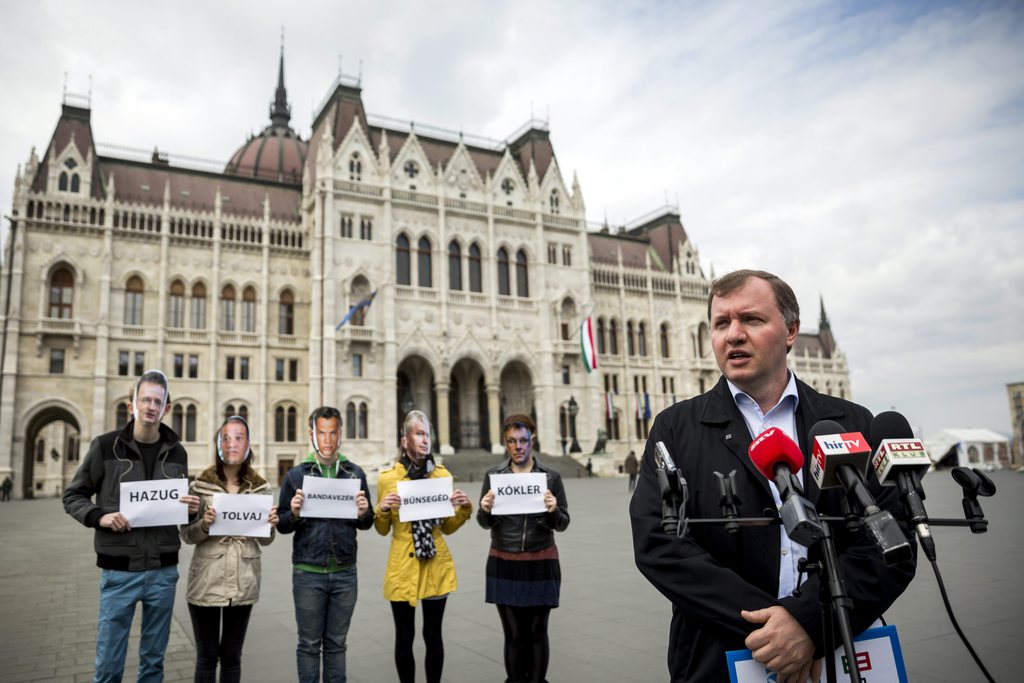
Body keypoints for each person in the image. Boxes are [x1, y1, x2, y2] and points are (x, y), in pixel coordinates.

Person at [629, 270, 917, 683]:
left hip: (838, 651)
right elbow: (659, 544)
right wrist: (774, 632)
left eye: (752, 319)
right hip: (720, 658)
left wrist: (808, 625)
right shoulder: (676, 428)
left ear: (791, 331)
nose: (733, 335)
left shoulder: (850, 423)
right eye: (721, 323)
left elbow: (891, 543)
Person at [63, 369, 200, 683]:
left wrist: (192, 509)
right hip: (119, 571)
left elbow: (178, 510)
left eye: (158, 401)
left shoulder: (178, 452)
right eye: (145, 399)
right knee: (109, 664)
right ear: (132, 405)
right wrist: (100, 516)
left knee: (153, 663)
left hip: (163, 572)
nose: (151, 406)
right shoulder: (105, 446)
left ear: (166, 408)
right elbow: (74, 495)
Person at [277, 406, 374, 683]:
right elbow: (282, 524)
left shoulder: (354, 473)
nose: (328, 440)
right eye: (322, 433)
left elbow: (366, 522)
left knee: (337, 644)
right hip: (308, 573)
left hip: (345, 572)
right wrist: (293, 513)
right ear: (312, 434)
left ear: (340, 433)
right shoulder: (296, 475)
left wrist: (364, 511)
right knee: (308, 645)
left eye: (333, 433)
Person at [375, 409, 473, 683]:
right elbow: (382, 530)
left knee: (433, 635)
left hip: (436, 564)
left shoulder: (441, 476)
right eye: (418, 434)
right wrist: (381, 509)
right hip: (402, 565)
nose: (424, 440)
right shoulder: (387, 479)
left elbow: (447, 527)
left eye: (427, 434)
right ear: (404, 440)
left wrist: (464, 509)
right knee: (404, 637)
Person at [180, 415, 278, 683]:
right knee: (207, 658)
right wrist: (205, 524)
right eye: (226, 438)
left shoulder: (260, 487)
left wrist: (270, 526)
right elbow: (187, 535)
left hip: (244, 581)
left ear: (248, 444)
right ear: (218, 444)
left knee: (233, 658)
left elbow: (266, 540)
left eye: (238, 437)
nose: (232, 443)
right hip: (206, 581)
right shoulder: (199, 485)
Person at [477, 414, 570, 683]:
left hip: (541, 559)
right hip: (504, 559)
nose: (518, 447)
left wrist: (553, 511)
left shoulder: (550, 477)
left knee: (538, 630)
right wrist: (485, 509)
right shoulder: (494, 476)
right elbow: (484, 523)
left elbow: (563, 523)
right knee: (515, 633)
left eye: (523, 440)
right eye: (511, 441)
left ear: (533, 440)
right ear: (505, 442)